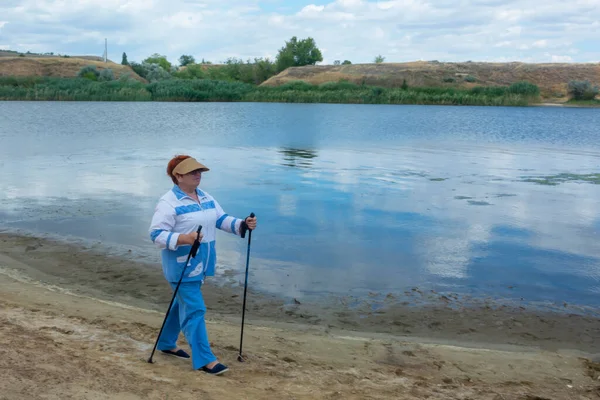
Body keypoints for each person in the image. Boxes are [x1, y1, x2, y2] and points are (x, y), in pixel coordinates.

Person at [148, 154, 257, 375]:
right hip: (181, 266)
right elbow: (156, 234)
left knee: (182, 304)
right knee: (195, 309)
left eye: (199, 171)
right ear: (178, 176)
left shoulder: (205, 197)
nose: (198, 175)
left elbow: (220, 219)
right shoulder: (169, 202)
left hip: (202, 263)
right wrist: (183, 238)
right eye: (192, 172)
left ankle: (167, 343)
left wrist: (242, 224)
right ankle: (205, 359)